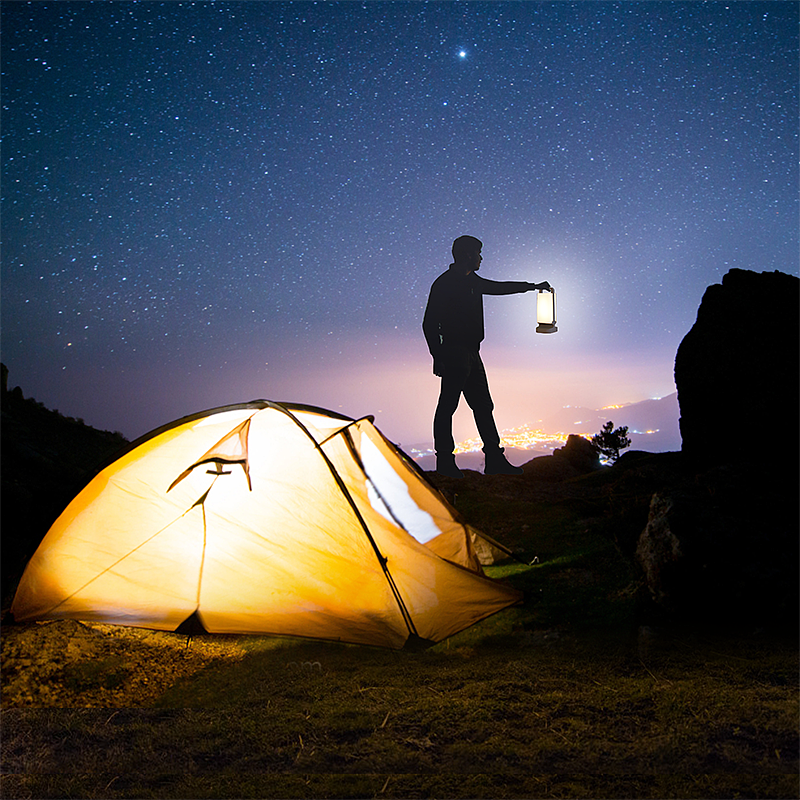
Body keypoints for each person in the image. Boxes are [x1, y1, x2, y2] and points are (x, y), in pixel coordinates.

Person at [423, 235, 550, 478]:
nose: (482, 258)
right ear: (468, 255)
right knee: (448, 406)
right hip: (454, 352)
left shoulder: (474, 281)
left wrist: (532, 286)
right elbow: (429, 323)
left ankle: (494, 460)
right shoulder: (444, 283)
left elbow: (500, 287)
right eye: (478, 253)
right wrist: (437, 356)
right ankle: (446, 462)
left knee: (483, 406)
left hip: (472, 353)